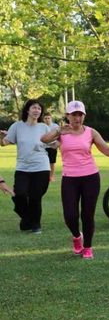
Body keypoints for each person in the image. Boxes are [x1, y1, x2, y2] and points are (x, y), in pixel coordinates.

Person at [41, 101, 109, 259]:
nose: (77, 118)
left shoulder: (91, 132)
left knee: (87, 215)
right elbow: (44, 139)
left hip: (90, 178)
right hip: (70, 179)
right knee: (70, 216)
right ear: (68, 116)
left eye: (80, 115)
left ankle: (88, 247)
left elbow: (108, 152)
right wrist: (59, 130)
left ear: (84, 116)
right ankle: (76, 237)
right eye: (73, 115)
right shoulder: (61, 132)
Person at [0, 99, 51, 233]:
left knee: (35, 197)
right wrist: (1, 137)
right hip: (23, 168)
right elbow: (5, 142)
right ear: (27, 110)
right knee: (20, 195)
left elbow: (53, 144)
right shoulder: (17, 126)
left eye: (39, 109)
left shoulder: (44, 127)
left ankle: (35, 225)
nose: (37, 111)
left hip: (42, 167)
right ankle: (28, 219)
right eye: (34, 108)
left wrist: (61, 139)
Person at [43, 112, 60, 182]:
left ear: (51, 118)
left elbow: (58, 136)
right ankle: (45, 177)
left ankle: (51, 177)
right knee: (44, 162)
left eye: (48, 118)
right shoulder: (41, 126)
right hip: (43, 147)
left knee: (52, 162)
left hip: (53, 147)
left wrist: (53, 142)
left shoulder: (55, 126)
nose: (47, 120)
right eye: (45, 118)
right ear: (43, 119)